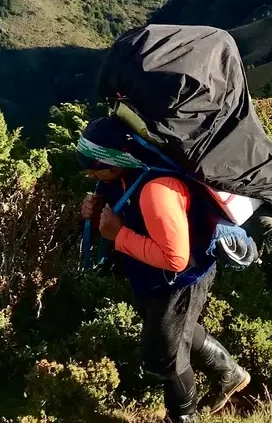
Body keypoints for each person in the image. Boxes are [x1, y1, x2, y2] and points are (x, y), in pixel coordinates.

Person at [76, 116, 252, 423]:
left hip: (179, 280)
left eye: (93, 167)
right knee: (174, 329)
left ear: (115, 161)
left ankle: (183, 416)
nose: (89, 174)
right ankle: (228, 372)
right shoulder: (123, 175)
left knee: (166, 358)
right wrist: (93, 212)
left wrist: (118, 236)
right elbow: (123, 211)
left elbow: (176, 259)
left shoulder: (156, 189)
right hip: (151, 275)